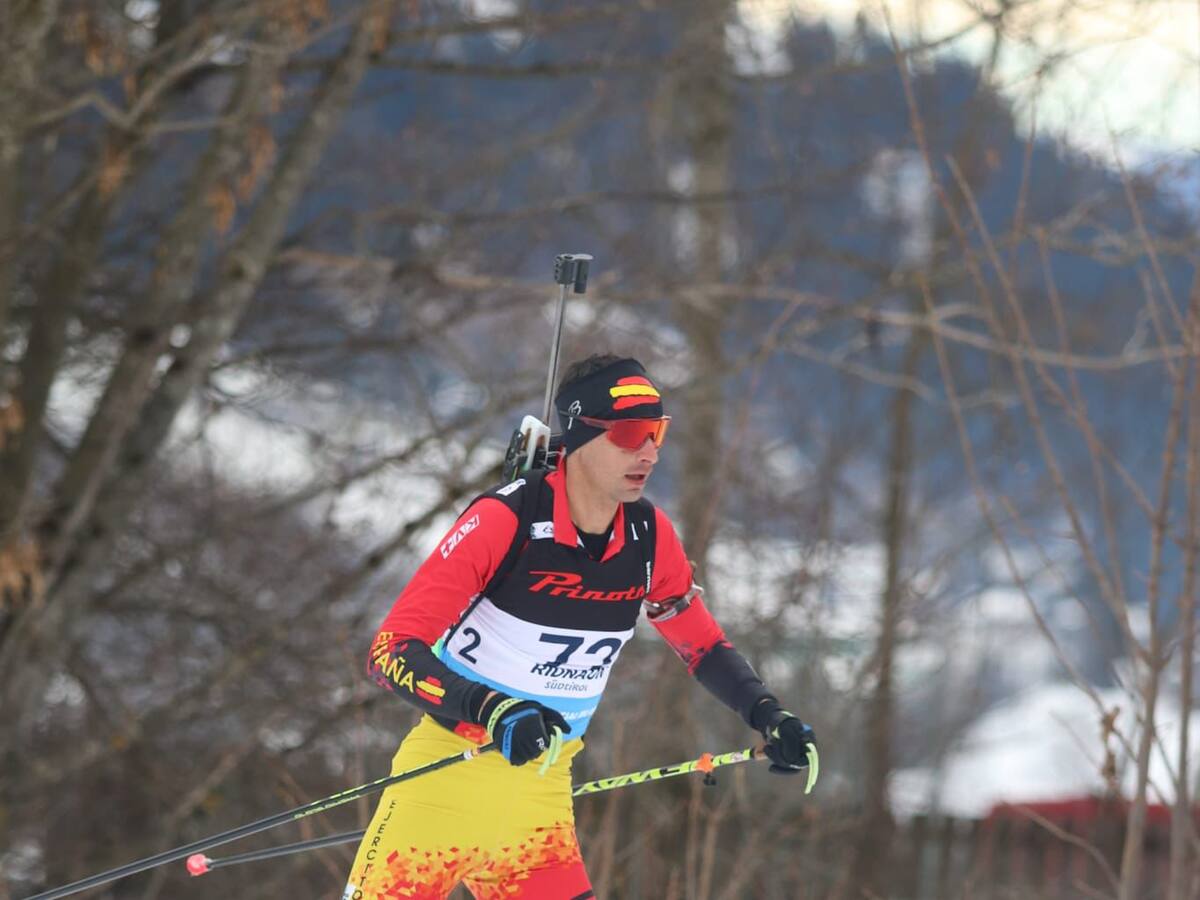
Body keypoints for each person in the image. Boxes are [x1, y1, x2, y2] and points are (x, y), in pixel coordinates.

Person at [342, 355, 817, 900]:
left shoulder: (650, 536)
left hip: (539, 805)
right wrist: (493, 707)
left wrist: (767, 714)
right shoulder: (505, 520)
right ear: (579, 435)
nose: (650, 452)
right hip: (445, 780)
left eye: (658, 432)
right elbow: (391, 651)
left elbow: (703, 647)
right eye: (632, 434)